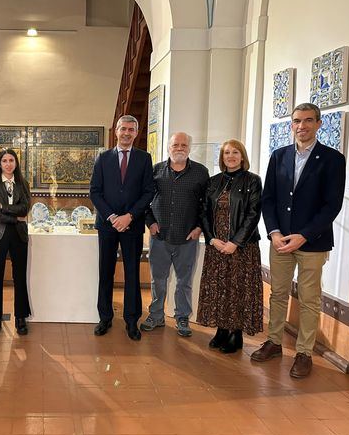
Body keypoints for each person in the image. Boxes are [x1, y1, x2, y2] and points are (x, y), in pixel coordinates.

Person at [253, 103, 346, 378]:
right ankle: (274, 342)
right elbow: (268, 198)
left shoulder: (332, 159)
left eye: (308, 121)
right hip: (280, 241)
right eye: (296, 121)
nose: (301, 126)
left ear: (319, 124)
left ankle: (304, 353)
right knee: (278, 294)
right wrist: (275, 233)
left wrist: (304, 235)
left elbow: (332, 205)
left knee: (309, 299)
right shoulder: (279, 156)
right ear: (290, 125)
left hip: (313, 243)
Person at [90, 115, 155, 341]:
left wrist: (129, 216)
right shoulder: (102, 158)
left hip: (133, 226)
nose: (127, 133)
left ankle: (131, 320)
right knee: (105, 271)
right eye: (123, 129)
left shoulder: (144, 159)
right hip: (107, 226)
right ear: (116, 131)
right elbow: (95, 192)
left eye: (131, 129)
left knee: (132, 273)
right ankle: (105, 317)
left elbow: (149, 192)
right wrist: (112, 217)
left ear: (136, 133)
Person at [141, 132, 209, 337]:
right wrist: (150, 223)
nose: (179, 148)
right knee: (158, 279)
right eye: (175, 145)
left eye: (183, 145)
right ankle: (156, 315)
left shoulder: (200, 172)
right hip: (160, 236)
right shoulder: (156, 171)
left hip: (188, 237)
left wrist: (199, 227)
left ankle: (182, 318)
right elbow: (145, 201)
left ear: (189, 148)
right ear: (168, 147)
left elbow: (206, 205)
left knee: (184, 281)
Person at [197, 140, 263, 353]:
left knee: (237, 289)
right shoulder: (213, 181)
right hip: (216, 246)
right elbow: (204, 211)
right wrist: (211, 239)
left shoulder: (253, 181)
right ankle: (221, 330)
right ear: (222, 157)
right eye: (227, 153)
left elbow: (254, 214)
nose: (231, 156)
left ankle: (236, 334)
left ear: (242, 156)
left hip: (241, 248)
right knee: (219, 288)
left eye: (235, 152)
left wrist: (235, 242)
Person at [0, 149, 31, 335]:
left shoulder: (23, 183)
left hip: (19, 236)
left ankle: (20, 317)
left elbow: (25, 209)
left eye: (12, 160)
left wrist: (3, 206)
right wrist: (15, 217)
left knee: (19, 277)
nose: (9, 164)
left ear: (16, 163)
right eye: (4, 160)